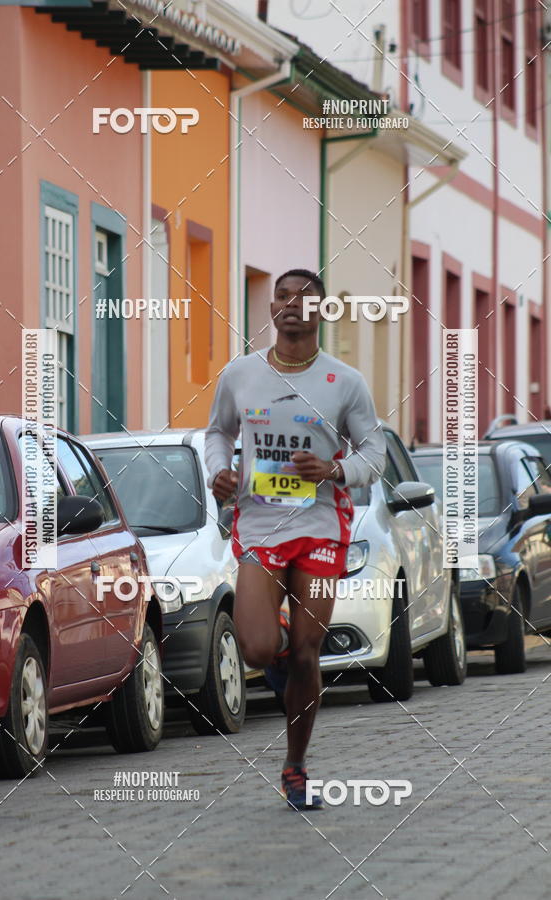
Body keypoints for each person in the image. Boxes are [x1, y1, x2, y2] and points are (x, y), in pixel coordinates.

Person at [205, 269, 386, 810]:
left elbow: (373, 457)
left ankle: (295, 767)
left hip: (319, 526)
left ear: (321, 312)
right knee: (260, 647)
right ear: (272, 308)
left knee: (308, 654)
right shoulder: (241, 374)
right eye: (281, 296)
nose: (289, 305)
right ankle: (279, 632)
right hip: (261, 525)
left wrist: (332, 471)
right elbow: (218, 431)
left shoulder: (345, 382)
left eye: (303, 298)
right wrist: (220, 471)